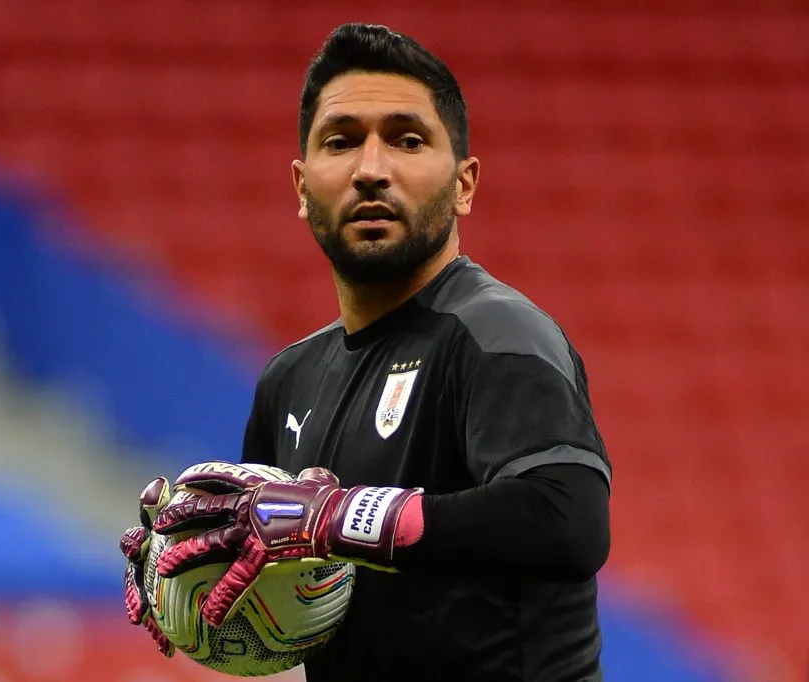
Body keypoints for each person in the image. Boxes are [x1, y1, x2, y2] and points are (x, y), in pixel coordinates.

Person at [121, 22, 612, 681]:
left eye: (407, 140)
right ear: (301, 187)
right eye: (342, 142)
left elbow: (567, 523)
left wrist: (338, 516)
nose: (372, 169)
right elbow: (276, 592)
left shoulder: (498, 334)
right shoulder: (289, 380)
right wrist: (180, 575)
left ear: (464, 183)